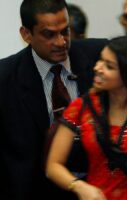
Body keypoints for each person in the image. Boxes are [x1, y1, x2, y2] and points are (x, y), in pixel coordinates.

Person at [0, 0, 106, 199]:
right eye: (49, 34)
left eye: (65, 31)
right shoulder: (5, 78)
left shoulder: (100, 58)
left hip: (98, 189)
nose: (61, 42)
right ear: (26, 34)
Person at [46, 35, 127, 200]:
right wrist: (78, 186)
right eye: (100, 60)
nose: (97, 68)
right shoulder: (82, 106)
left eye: (109, 66)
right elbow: (53, 166)